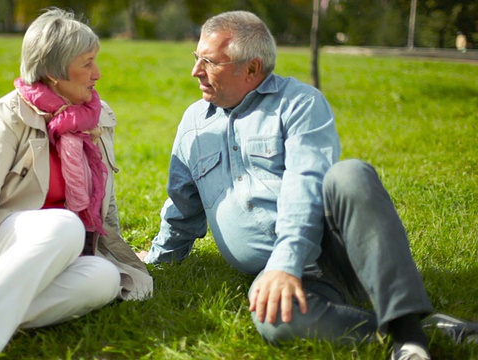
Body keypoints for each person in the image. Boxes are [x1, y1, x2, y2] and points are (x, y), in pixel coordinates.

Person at [138, 10, 475, 360]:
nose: (196, 71)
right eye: (197, 59)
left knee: (350, 174)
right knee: (272, 320)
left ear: (252, 69)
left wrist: (285, 263)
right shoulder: (193, 123)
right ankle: (417, 334)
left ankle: (409, 330)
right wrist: (157, 260)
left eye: (209, 62)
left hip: (340, 254)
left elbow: (306, 184)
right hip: (287, 278)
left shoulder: (299, 103)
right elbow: (183, 203)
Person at [0, 8, 153, 359]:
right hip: (4, 246)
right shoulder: (10, 114)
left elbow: (103, 207)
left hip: (62, 251)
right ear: (53, 72)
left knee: (105, 278)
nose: (97, 74)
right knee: (66, 225)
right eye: (87, 63)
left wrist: (128, 255)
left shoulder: (98, 117)